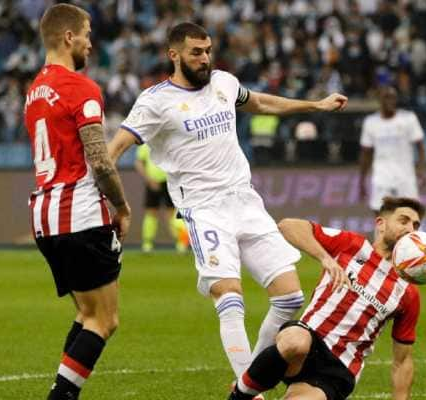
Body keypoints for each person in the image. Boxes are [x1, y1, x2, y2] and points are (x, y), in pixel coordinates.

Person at [107, 22, 348, 387]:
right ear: (174, 55)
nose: (204, 59)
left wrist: (314, 104)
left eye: (207, 51)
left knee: (290, 297)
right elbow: (115, 148)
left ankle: (245, 379)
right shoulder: (155, 101)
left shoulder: (223, 82)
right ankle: (250, 394)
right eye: (195, 52)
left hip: (245, 199)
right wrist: (107, 194)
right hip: (204, 209)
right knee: (230, 297)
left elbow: (262, 102)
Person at [24, 4, 131, 399]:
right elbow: (100, 161)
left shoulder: (34, 91)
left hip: (45, 219)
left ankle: (62, 390)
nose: (90, 41)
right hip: (80, 215)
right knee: (104, 320)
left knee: (86, 315)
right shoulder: (81, 89)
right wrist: (121, 206)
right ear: (69, 37)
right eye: (86, 33)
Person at [229, 197, 425, 400]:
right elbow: (288, 226)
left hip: (338, 369)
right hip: (308, 340)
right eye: (404, 221)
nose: (410, 229)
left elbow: (402, 361)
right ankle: (239, 396)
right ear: (381, 224)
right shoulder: (352, 245)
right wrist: (325, 258)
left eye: (415, 225)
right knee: (295, 342)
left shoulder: (407, 292)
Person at [359, 86, 426, 214]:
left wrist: (421, 169)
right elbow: (365, 154)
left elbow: (421, 146)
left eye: (393, 97)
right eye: (386, 97)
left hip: (405, 177)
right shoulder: (371, 122)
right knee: (381, 217)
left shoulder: (408, 118)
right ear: (380, 100)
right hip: (382, 177)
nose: (391, 101)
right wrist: (361, 180)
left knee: (410, 216)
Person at [134, 143, 189, 253]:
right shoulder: (146, 143)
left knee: (171, 214)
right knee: (151, 212)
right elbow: (138, 163)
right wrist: (149, 180)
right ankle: (147, 244)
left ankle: (182, 242)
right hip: (153, 181)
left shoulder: (169, 141)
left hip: (169, 182)